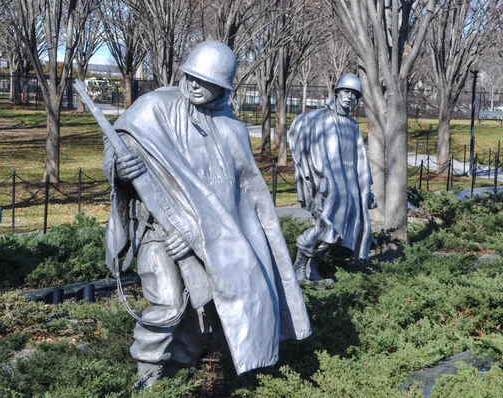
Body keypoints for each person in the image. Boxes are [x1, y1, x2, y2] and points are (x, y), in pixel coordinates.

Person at [104, 40, 311, 388]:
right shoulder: (152, 108)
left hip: (212, 243)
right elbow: (116, 153)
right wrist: (120, 167)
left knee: (211, 311)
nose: (196, 85)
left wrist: (202, 239)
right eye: (192, 77)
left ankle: (197, 376)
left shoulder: (232, 131)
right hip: (158, 230)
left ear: (223, 87)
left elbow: (240, 203)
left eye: (207, 81)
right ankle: (149, 382)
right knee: (168, 304)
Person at [287, 73, 376, 283]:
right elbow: (315, 156)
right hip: (329, 186)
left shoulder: (352, 126)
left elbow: (360, 160)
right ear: (336, 93)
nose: (349, 97)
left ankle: (313, 268)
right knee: (324, 227)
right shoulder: (321, 119)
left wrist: (367, 190)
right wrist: (317, 186)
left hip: (352, 187)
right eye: (345, 91)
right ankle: (298, 269)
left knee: (340, 233)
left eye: (354, 94)